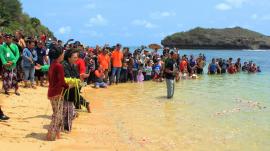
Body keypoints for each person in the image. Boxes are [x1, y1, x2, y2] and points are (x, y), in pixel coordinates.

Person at [47, 45, 69, 141]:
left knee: (56, 113)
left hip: (51, 92)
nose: (64, 54)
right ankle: (50, 136)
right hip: (57, 93)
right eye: (63, 53)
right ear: (59, 55)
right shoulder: (59, 66)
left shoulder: (52, 64)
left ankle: (56, 134)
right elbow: (62, 81)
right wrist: (68, 86)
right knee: (58, 115)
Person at [62, 49, 80, 132]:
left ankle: (68, 127)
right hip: (65, 90)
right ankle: (62, 127)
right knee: (64, 109)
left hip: (73, 89)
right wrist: (76, 81)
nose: (76, 59)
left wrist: (78, 80)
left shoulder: (75, 66)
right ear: (69, 58)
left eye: (77, 57)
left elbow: (77, 76)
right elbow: (67, 77)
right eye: (74, 57)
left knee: (70, 109)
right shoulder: (64, 65)